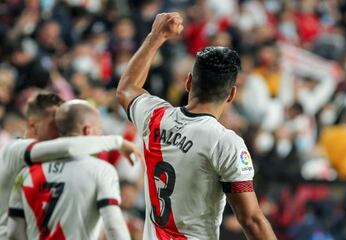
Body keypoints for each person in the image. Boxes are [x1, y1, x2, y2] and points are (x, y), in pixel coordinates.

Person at [117, 12, 277, 240]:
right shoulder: (225, 142)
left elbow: (127, 88)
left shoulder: (155, 117)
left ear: (189, 81)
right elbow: (250, 219)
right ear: (231, 94)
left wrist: (157, 36)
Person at [0, 92, 141, 239]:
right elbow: (68, 146)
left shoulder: (32, 170)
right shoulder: (15, 150)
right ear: (33, 126)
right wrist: (117, 142)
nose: (60, 130)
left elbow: (16, 232)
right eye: (54, 124)